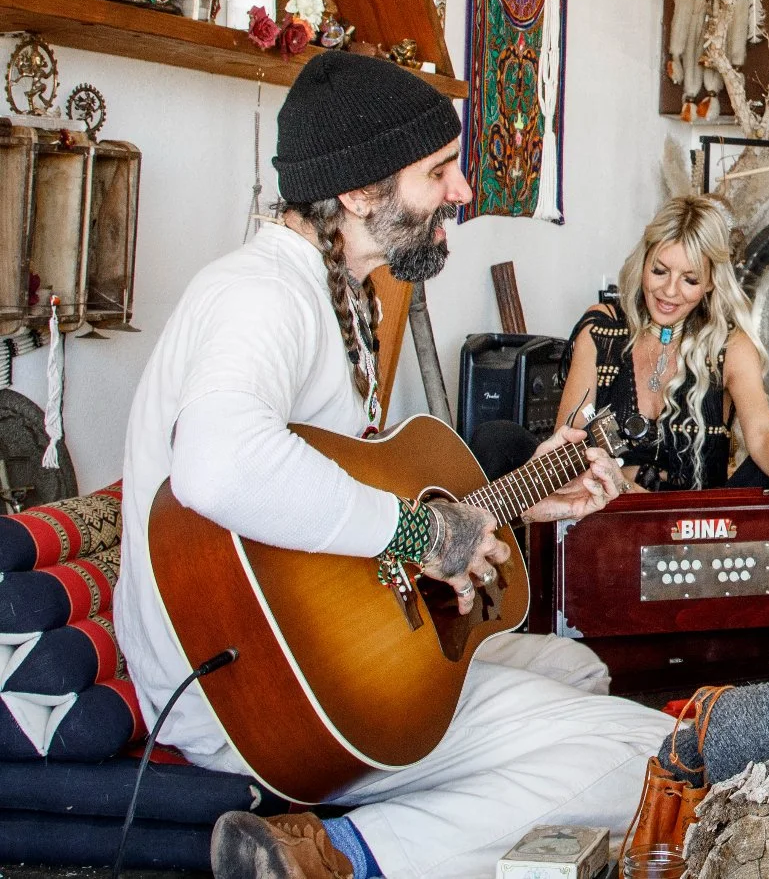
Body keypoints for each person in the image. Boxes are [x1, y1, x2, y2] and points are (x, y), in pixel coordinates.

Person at [114, 52, 671, 879]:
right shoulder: (259, 291)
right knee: (652, 756)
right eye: (438, 172)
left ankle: (412, 826)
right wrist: (421, 531)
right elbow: (221, 465)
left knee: (574, 665)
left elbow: (331, 507)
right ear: (357, 192)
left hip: (311, 655)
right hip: (256, 696)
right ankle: (345, 854)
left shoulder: (339, 292)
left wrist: (512, 506)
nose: (462, 194)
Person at [553, 194, 769, 511]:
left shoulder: (730, 346)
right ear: (643, 264)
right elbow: (565, 445)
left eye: (690, 279)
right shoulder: (601, 329)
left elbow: (762, 431)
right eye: (660, 271)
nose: (669, 291)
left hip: (702, 522)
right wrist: (625, 488)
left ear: (710, 282)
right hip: (611, 512)